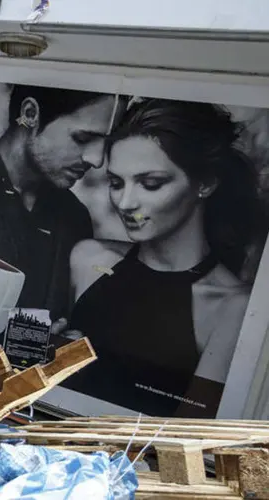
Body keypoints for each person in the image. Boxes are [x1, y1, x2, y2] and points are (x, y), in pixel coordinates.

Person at [59, 98, 268, 417]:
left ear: (205, 183)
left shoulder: (232, 307)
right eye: (116, 183)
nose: (125, 202)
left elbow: (187, 436)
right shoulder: (88, 259)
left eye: (151, 183)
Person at [0, 83, 123, 354]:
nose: (96, 160)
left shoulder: (74, 217)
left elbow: (60, 322)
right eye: (83, 139)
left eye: (105, 146)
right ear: (30, 113)